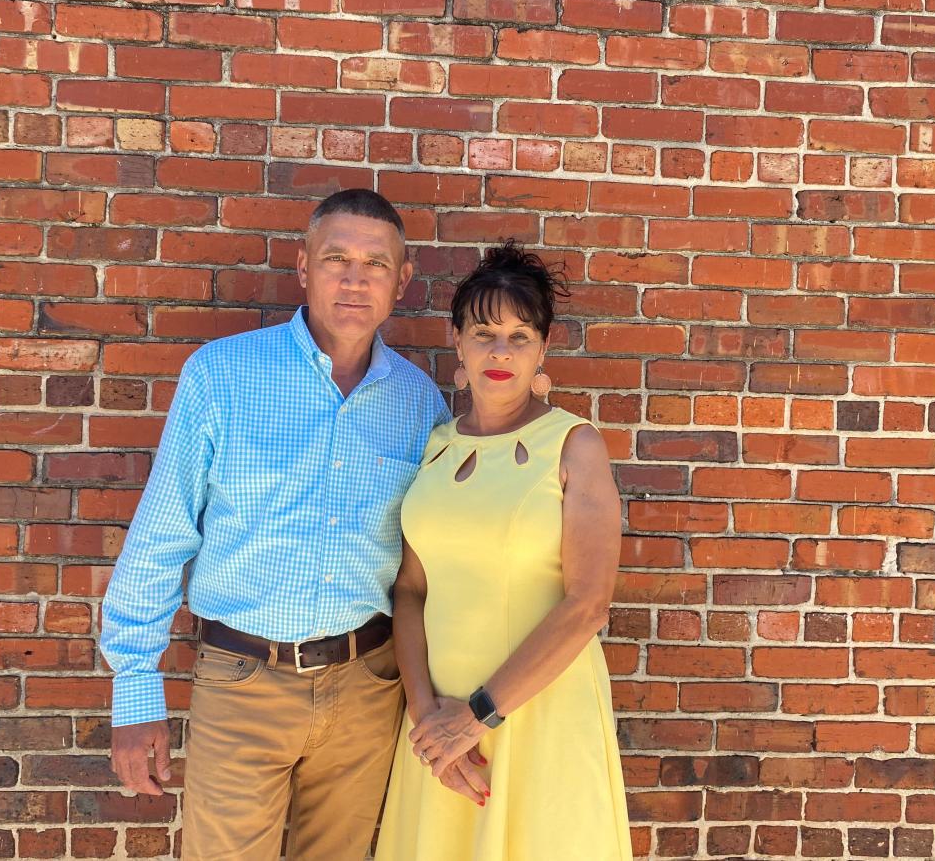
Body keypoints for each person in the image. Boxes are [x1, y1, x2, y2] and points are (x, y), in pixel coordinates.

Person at [99, 188, 451, 860]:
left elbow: (430, 563)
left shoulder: (419, 404)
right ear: (302, 266)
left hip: (366, 690)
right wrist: (135, 687)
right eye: (335, 258)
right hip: (242, 683)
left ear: (402, 281)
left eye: (376, 263)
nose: (354, 279)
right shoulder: (222, 376)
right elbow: (162, 534)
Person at [375, 241, 631, 860]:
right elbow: (410, 590)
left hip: (535, 714)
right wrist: (427, 719)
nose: (500, 350)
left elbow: (588, 604)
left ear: (543, 349)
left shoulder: (574, 446)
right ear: (457, 343)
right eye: (485, 332)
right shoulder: (434, 446)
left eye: (520, 336)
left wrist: (478, 716)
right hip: (438, 727)